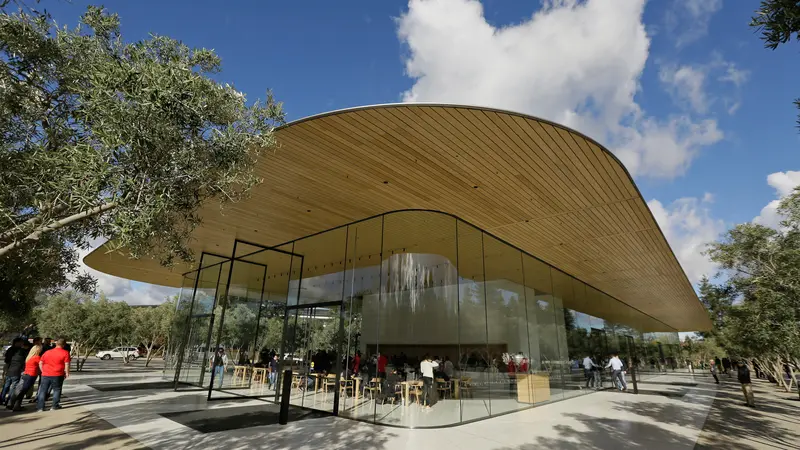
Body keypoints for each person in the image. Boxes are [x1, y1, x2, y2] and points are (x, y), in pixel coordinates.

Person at [6, 344, 41, 412]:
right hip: (31, 375)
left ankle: (10, 404)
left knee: (18, 390)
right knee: (22, 391)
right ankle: (17, 406)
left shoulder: (29, 357)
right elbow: (42, 365)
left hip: (25, 374)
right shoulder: (37, 357)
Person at [37, 339, 70, 412]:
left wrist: (42, 370)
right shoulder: (65, 353)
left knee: (43, 390)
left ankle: (40, 407)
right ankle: (54, 406)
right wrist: (67, 372)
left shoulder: (47, 352)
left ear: (56, 344)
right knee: (57, 390)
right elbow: (66, 364)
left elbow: (40, 363)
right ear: (64, 345)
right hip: (58, 374)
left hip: (45, 374)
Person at [1, 339, 25, 405]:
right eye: (21, 342)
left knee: (6, 385)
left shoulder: (10, 349)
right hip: (16, 370)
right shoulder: (21, 351)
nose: (22, 344)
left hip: (9, 369)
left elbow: (6, 360)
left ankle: (2, 398)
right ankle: (8, 400)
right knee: (13, 386)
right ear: (17, 343)